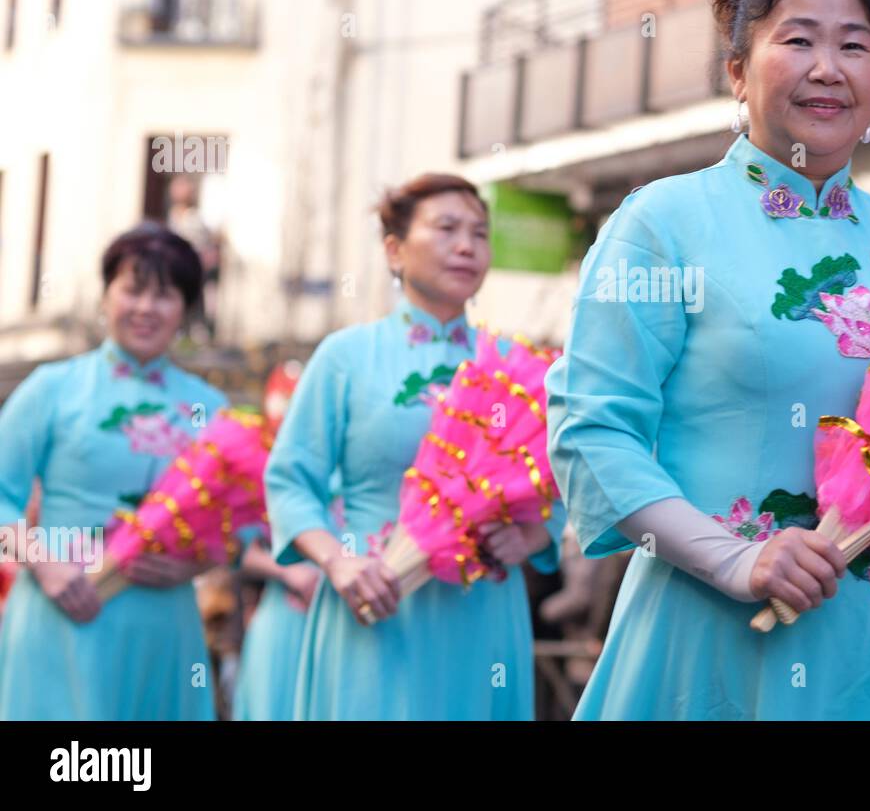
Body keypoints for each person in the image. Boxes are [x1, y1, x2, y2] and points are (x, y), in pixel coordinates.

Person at [546, 0, 870, 720]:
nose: (829, 68)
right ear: (736, 71)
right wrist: (734, 562)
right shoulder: (663, 224)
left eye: (855, 46)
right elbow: (592, 435)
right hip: (717, 633)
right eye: (798, 41)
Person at [264, 173, 566, 719]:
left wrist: (533, 534)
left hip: (481, 606)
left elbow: (562, 477)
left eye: (479, 232)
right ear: (394, 250)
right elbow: (289, 479)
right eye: (447, 228)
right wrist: (338, 562)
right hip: (373, 596)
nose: (467, 245)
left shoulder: (517, 367)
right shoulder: (346, 356)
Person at [0, 224, 227, 719]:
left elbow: (240, 526)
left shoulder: (208, 409)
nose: (145, 307)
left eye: (164, 295)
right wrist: (43, 562)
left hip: (162, 622)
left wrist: (197, 563)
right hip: (59, 609)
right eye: (132, 288)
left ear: (185, 309)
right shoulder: (53, 388)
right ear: (105, 296)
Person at [232, 361, 328, 721]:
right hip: (283, 612)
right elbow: (234, 548)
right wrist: (290, 574)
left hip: (338, 608)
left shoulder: (340, 463)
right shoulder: (255, 462)